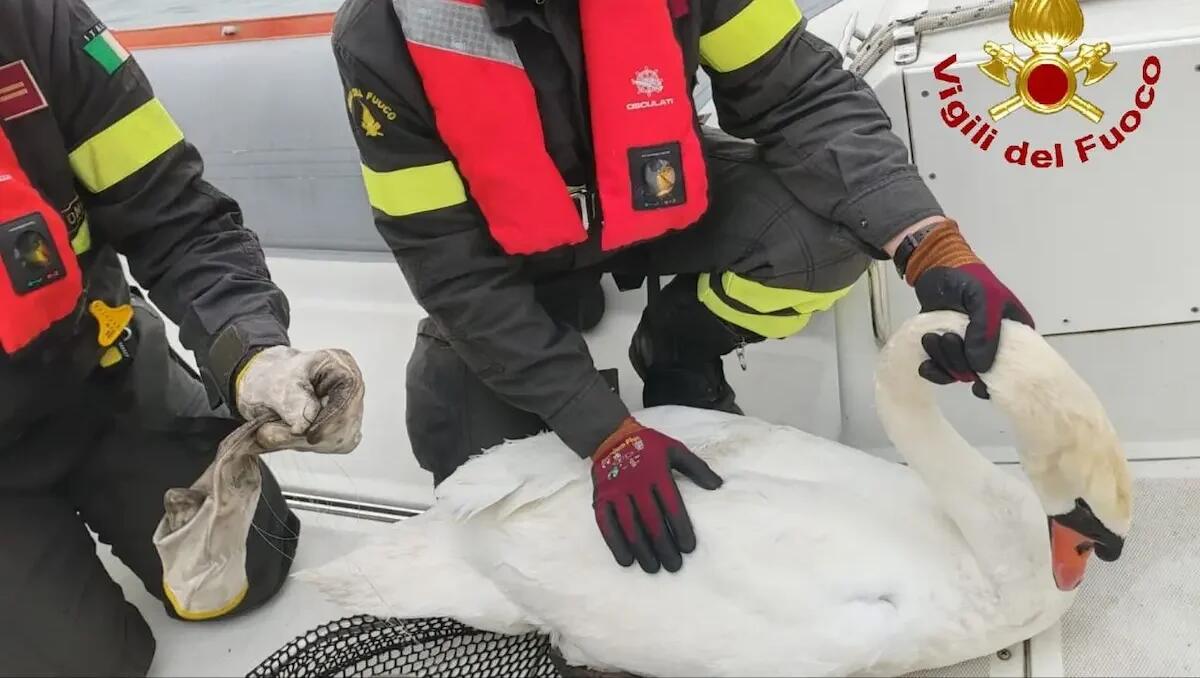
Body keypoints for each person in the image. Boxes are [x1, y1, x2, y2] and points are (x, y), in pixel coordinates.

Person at [331, 0, 1034, 576]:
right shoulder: (380, 33)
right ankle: (548, 346)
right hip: (507, 257)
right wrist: (601, 430)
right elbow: (451, 270)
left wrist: (926, 240)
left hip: (656, 199)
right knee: (485, 507)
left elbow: (800, 94)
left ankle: (674, 351)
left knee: (817, 246)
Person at [0, 1, 366, 675]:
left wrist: (254, 355)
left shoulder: (37, 23)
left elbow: (178, 218)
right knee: (86, 665)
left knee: (253, 567)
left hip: (99, 372)